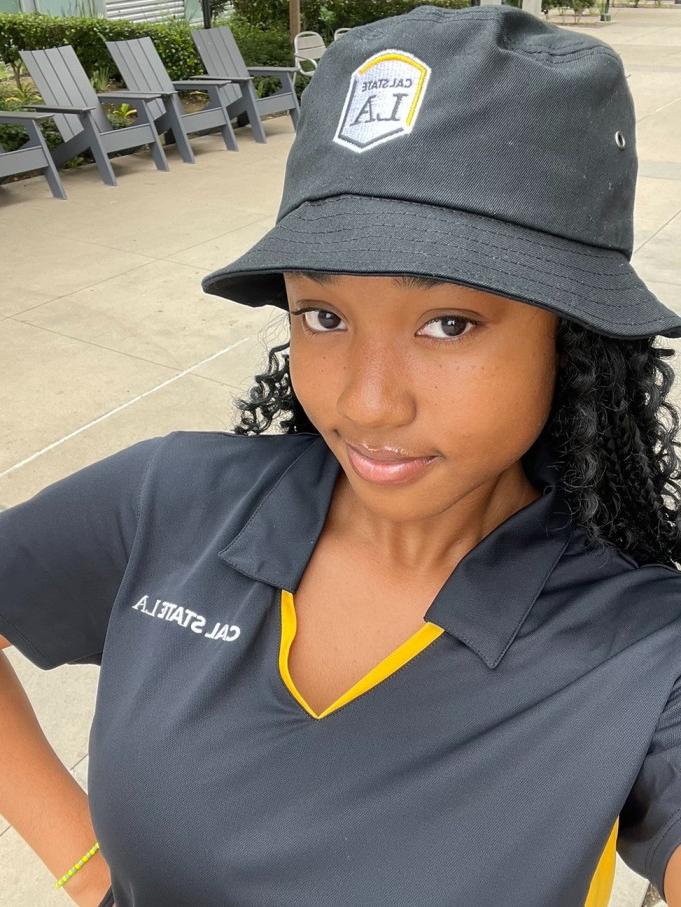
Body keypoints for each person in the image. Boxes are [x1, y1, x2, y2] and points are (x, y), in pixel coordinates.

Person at [2, 4, 681, 906]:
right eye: (323, 315)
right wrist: (91, 868)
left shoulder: (642, 648)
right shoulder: (167, 500)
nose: (365, 401)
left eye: (448, 322)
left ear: (572, 338)